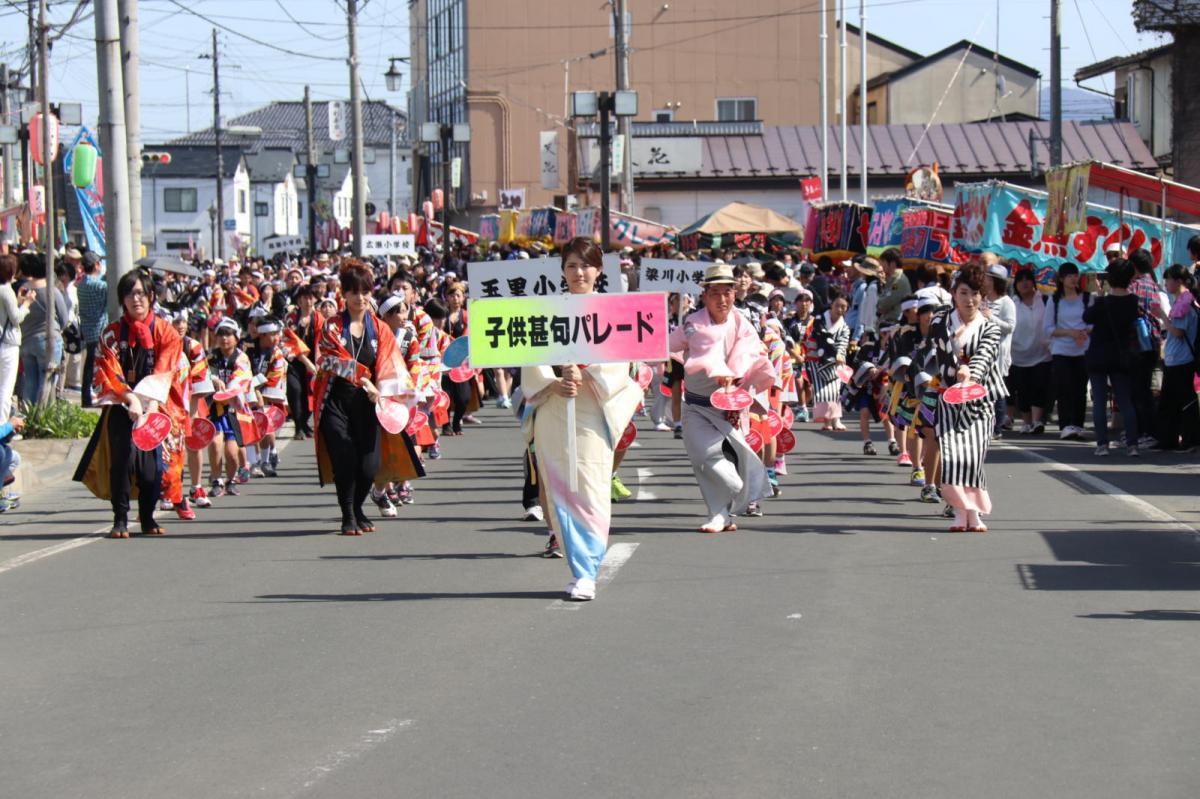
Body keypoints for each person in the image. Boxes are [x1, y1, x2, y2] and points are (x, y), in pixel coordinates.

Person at [519, 237, 641, 600]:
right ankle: (576, 566)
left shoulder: (613, 311)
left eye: (586, 265)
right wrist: (554, 382)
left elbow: (620, 364)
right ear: (562, 270)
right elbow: (531, 356)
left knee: (590, 485)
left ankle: (588, 569)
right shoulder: (547, 309)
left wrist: (587, 372)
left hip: (591, 407)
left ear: (599, 270)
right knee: (557, 488)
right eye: (571, 265)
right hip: (554, 406)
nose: (579, 272)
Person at [313, 260, 423, 535]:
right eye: (353, 292)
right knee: (344, 456)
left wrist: (380, 390)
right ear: (344, 294)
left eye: (364, 292)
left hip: (369, 403)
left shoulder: (381, 329)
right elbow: (329, 360)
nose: (359, 298)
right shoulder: (331, 327)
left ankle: (359, 507)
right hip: (336, 400)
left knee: (369, 464)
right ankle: (348, 514)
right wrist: (363, 378)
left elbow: (392, 364)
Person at [74, 270, 185, 538]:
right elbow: (106, 370)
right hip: (121, 405)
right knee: (122, 461)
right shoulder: (111, 333)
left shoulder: (165, 332)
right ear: (122, 299)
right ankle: (120, 519)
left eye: (141, 293)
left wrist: (148, 403)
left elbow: (166, 369)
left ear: (151, 297)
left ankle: (147, 517)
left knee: (153, 468)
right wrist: (129, 398)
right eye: (129, 293)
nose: (136, 299)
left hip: (154, 407)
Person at [669, 263, 777, 533]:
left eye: (727, 292)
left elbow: (752, 352)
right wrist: (719, 371)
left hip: (731, 405)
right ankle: (740, 489)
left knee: (733, 455)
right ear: (704, 295)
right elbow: (694, 347)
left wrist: (736, 375)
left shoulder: (743, 323)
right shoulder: (693, 324)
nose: (722, 299)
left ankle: (720, 514)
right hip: (697, 404)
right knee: (704, 456)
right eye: (715, 293)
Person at [927, 263, 1006, 532]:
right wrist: (957, 368)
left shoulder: (991, 327)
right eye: (963, 293)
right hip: (949, 396)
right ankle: (961, 511)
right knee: (952, 456)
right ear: (953, 294)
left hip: (979, 399)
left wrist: (971, 371)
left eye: (975, 293)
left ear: (982, 296)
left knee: (973, 456)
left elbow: (985, 356)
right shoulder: (940, 321)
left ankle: (974, 512)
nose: (969, 299)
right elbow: (942, 351)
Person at [1082, 258, 1140, 457]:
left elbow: (1086, 318)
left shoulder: (1102, 302)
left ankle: (1102, 445)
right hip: (1122, 355)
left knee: (1099, 401)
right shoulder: (1133, 302)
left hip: (1098, 355)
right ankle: (1132, 445)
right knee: (1125, 401)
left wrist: (1099, 295)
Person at [1043, 262, 1091, 440]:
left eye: (1075, 275)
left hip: (1083, 349)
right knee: (1064, 388)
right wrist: (1069, 332)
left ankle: (1078, 424)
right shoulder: (1054, 300)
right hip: (1061, 349)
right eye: (1069, 275)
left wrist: (1083, 332)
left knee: (1080, 388)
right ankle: (1065, 425)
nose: (1073, 278)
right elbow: (1048, 328)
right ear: (1061, 279)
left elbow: (1093, 323)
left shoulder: (1086, 298)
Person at [1154, 264, 1199, 452]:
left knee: (1177, 402)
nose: (1166, 284)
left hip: (1181, 359)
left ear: (1178, 281)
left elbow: (1179, 332)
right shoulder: (1187, 300)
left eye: (1168, 280)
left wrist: (1163, 316)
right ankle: (1175, 440)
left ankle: (1185, 440)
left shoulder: (1184, 303)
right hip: (1178, 358)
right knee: (1176, 401)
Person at [18, 252, 69, 407]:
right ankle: (42, 417)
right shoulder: (52, 291)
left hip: (26, 341)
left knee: (30, 381)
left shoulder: (23, 290)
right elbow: (64, 318)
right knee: (47, 382)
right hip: (48, 340)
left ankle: (27, 417)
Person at [1008, 268, 1051, 434]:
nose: (1024, 283)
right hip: (1018, 354)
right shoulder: (1013, 303)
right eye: (1020, 280)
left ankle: (1036, 421)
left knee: (1039, 387)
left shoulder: (1046, 300)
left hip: (1042, 353)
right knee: (1023, 390)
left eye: (1027, 279)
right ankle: (1026, 422)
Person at [806, 287, 851, 431]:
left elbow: (843, 343)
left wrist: (840, 354)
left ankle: (836, 420)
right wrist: (835, 353)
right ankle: (827, 422)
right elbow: (822, 337)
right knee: (822, 392)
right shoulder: (819, 320)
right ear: (831, 304)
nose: (840, 309)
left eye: (843, 307)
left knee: (835, 391)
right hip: (817, 359)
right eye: (837, 305)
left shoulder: (844, 327)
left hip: (835, 361)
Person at [980, 258, 1016, 437]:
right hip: (983, 349)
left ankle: (997, 427)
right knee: (984, 387)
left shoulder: (1006, 302)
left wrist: (990, 317)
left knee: (997, 389)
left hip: (999, 352)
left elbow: (1010, 326)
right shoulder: (984, 299)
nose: (985, 281)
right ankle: (986, 423)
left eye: (988, 278)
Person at [0, 254, 32, 420]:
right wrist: (27, 303)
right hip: (8, 344)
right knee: (6, 389)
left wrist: (18, 300)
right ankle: (2, 427)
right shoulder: (6, 291)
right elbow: (16, 318)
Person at [76, 251, 108, 408]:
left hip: (87, 330)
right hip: (100, 329)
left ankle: (86, 398)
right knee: (98, 366)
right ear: (96, 265)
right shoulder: (100, 286)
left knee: (89, 365)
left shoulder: (81, 284)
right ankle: (98, 396)